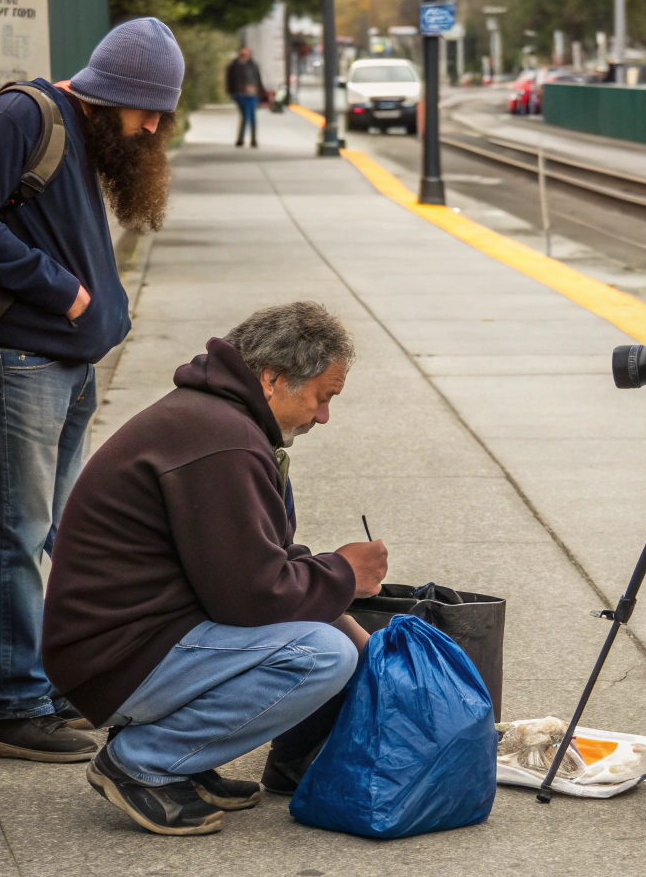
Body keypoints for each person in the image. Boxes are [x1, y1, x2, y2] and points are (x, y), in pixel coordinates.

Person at [0, 17, 183, 763]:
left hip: (66, 366)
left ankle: (56, 686)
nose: (153, 126)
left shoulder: (79, 129)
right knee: (15, 534)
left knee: (65, 531)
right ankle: (13, 708)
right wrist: (60, 290)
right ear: (110, 92)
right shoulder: (20, 116)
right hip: (21, 361)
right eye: (146, 110)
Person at [42, 302, 389, 836]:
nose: (323, 416)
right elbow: (251, 597)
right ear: (272, 379)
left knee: (335, 641)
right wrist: (343, 573)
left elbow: (268, 562)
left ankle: (186, 759)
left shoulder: (217, 421)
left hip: (132, 641)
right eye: (323, 397)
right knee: (320, 656)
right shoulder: (221, 440)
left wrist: (369, 642)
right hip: (114, 659)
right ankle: (142, 761)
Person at [225, 46, 264, 147]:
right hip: (240, 94)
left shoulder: (253, 66)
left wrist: (261, 94)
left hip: (251, 94)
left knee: (252, 117)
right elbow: (229, 81)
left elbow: (258, 80)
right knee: (245, 115)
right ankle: (241, 139)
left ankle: (253, 139)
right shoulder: (233, 66)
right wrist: (231, 93)